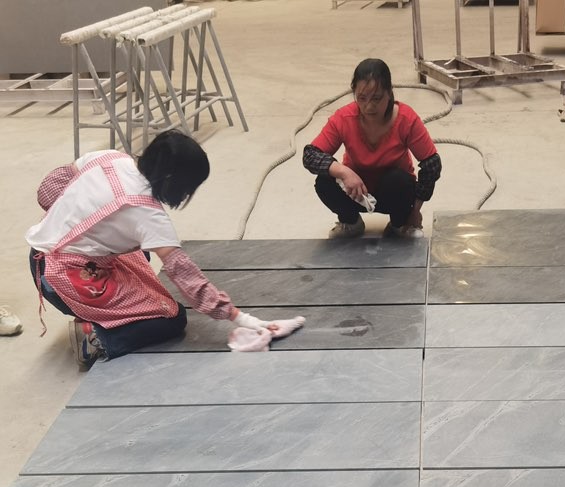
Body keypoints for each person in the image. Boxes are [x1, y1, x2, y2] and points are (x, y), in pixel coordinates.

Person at [27, 130, 303, 368]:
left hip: (39, 257)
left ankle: (97, 309)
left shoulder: (111, 158)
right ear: (174, 181)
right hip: (64, 280)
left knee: (141, 252)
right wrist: (243, 319)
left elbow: (49, 188)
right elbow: (188, 279)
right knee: (171, 317)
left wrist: (68, 221)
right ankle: (95, 336)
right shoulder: (148, 214)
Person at [303, 58, 442, 240]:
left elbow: (431, 164)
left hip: (394, 193)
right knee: (324, 181)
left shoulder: (406, 119)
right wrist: (344, 172)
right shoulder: (343, 118)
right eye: (362, 98)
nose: (369, 106)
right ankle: (351, 222)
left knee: (399, 180)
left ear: (389, 93)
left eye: (376, 98)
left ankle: (399, 224)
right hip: (355, 192)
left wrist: (415, 210)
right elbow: (310, 155)